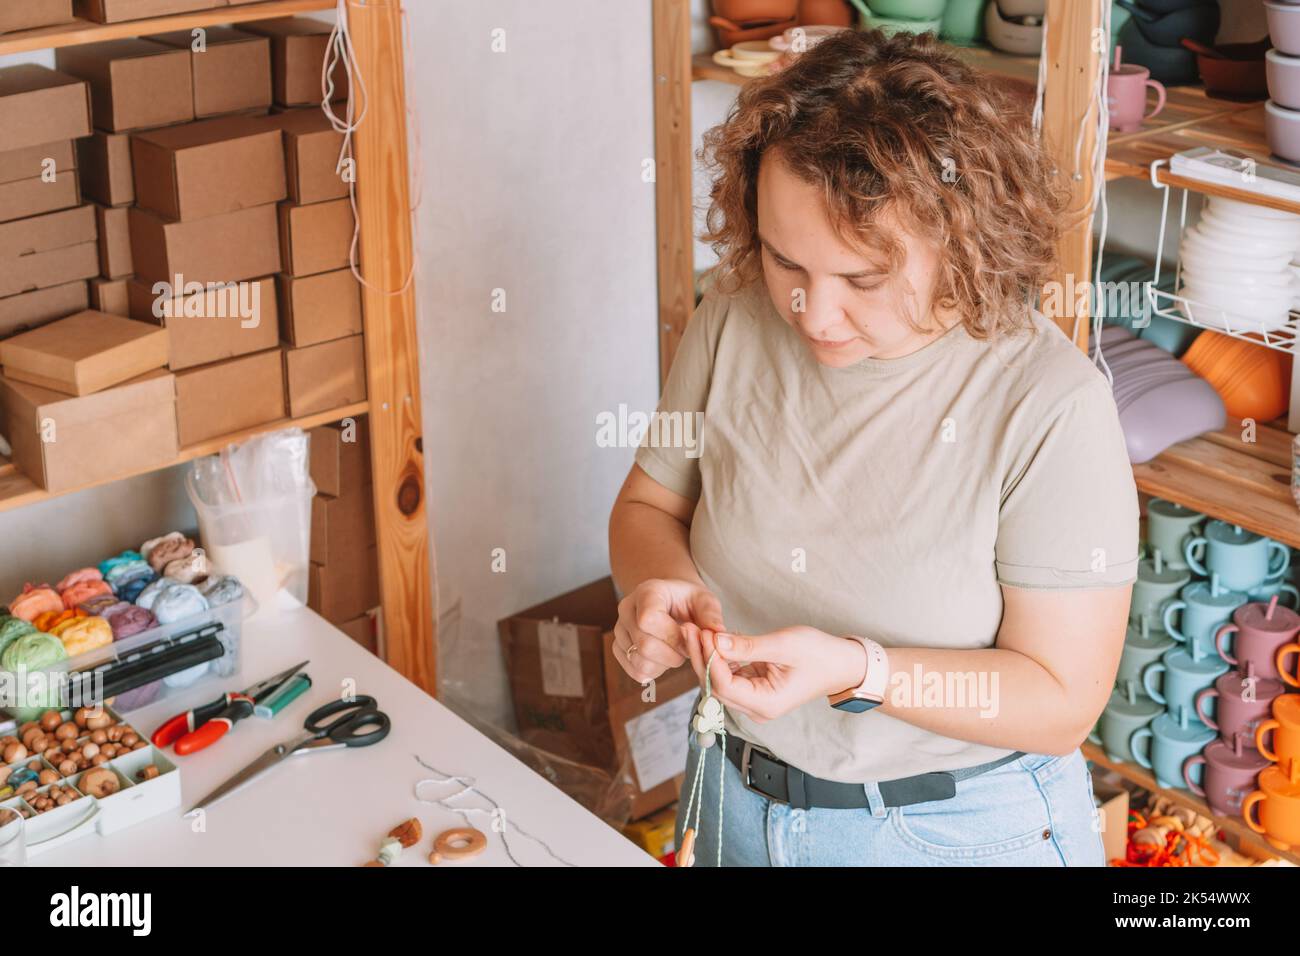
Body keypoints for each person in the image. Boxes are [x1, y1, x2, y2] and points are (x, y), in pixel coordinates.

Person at [608, 29, 1138, 866]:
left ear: (965, 244)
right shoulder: (733, 319)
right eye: (787, 261)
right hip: (733, 793)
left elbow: (1060, 700)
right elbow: (649, 505)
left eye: (862, 280)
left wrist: (860, 671)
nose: (813, 315)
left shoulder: (1051, 406)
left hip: (951, 832)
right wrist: (656, 588)